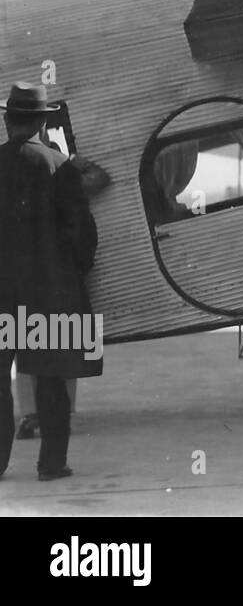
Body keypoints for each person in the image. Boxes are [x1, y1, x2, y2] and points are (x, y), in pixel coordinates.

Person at [0, 82, 100, 482]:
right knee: (51, 377)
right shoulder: (60, 166)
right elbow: (82, 233)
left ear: (8, 121)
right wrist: (75, 270)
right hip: (48, 292)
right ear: (42, 122)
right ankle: (51, 464)